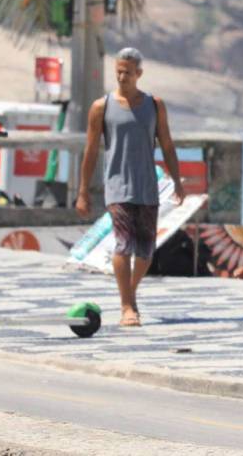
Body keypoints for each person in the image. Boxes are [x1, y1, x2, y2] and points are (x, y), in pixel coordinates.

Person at [76, 48, 184, 327]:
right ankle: (127, 306)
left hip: (147, 185)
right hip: (117, 185)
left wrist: (178, 182)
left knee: (146, 250)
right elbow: (90, 151)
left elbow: (168, 145)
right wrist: (83, 191)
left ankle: (130, 291)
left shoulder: (154, 105)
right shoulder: (102, 107)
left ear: (139, 74)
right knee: (123, 244)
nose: (122, 77)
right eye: (118, 72)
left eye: (128, 72)